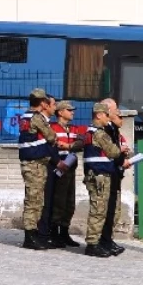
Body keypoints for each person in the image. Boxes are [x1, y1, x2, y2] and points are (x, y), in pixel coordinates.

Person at [82, 103, 123, 257]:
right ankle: (92, 244)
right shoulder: (99, 133)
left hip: (95, 175)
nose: (108, 118)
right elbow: (113, 152)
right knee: (98, 210)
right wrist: (120, 150)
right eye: (106, 115)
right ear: (99, 115)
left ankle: (96, 242)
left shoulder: (88, 132)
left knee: (98, 209)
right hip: (99, 176)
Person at [18, 88, 57, 250]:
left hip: (33, 163)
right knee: (33, 200)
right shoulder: (37, 118)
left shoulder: (26, 116)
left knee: (35, 200)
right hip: (34, 164)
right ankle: (29, 237)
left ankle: (32, 235)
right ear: (42, 103)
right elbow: (51, 136)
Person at [48, 100, 83, 247]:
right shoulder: (52, 128)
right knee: (58, 201)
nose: (72, 112)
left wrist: (68, 145)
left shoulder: (74, 128)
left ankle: (64, 232)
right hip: (57, 168)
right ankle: (54, 233)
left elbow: (81, 143)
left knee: (69, 202)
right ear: (60, 112)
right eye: (69, 110)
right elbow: (50, 145)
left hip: (70, 169)